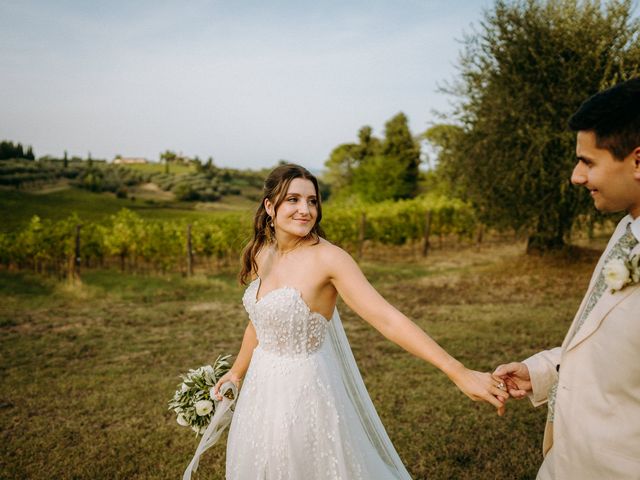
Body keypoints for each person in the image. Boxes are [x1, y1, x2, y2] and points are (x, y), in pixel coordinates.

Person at [212, 163, 508, 479]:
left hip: (303, 389)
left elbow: (387, 318)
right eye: (294, 200)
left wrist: (456, 370)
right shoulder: (262, 253)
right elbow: (259, 322)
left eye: (312, 201)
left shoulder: (329, 258)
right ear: (270, 207)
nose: (305, 210)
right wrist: (237, 372)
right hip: (262, 385)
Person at [494, 78, 640, 479]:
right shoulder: (626, 232)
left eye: (588, 162)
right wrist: (541, 370)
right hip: (570, 461)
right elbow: (607, 345)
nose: (576, 177)